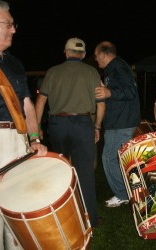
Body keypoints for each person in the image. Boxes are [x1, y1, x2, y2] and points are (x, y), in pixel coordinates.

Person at [0, 0, 48, 249]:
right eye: (8, 24)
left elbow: (27, 106)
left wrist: (35, 139)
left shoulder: (16, 63)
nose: (13, 29)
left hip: (18, 141)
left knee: (19, 212)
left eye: (13, 24)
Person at [35, 37, 105, 227]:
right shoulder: (92, 72)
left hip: (57, 125)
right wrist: (97, 127)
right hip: (83, 124)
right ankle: (90, 217)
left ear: (66, 52)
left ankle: (61, 216)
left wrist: (37, 127)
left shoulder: (53, 72)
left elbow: (40, 101)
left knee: (60, 169)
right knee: (85, 171)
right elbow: (101, 104)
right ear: (82, 54)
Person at [94, 41, 141, 207]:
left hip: (121, 123)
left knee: (109, 158)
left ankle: (123, 194)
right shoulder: (115, 68)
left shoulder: (117, 67)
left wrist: (109, 91)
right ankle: (131, 192)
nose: (95, 58)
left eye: (96, 55)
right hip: (120, 121)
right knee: (122, 160)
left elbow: (130, 91)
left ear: (105, 54)